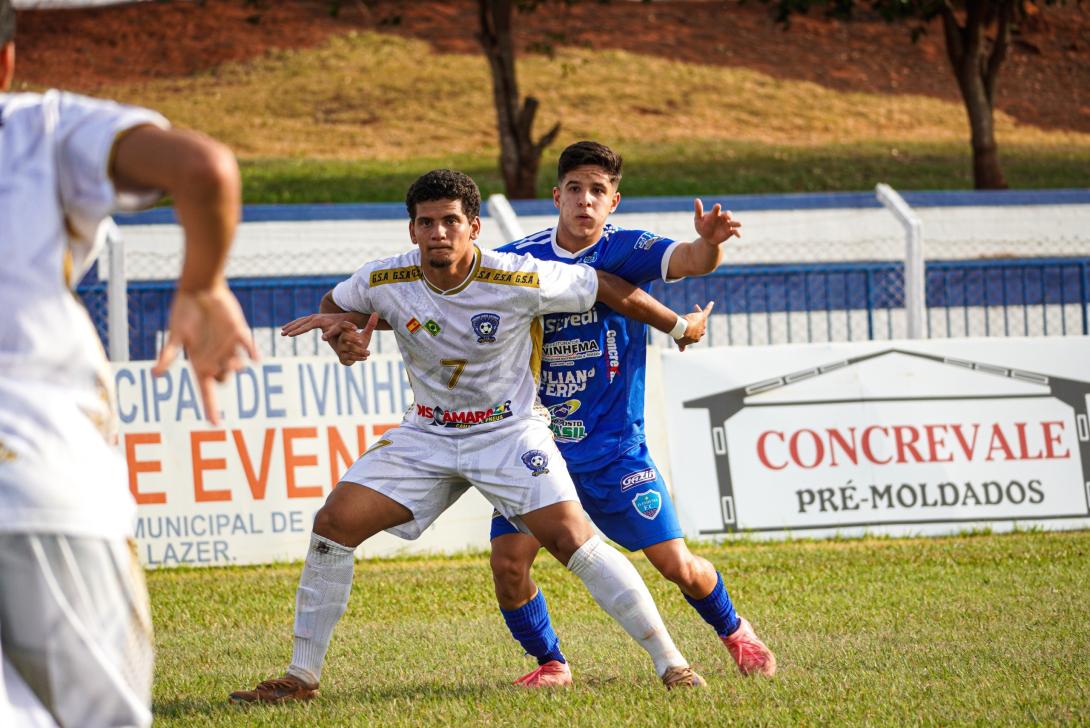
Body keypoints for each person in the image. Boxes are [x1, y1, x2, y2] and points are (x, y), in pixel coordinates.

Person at [230, 169, 715, 704]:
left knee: (573, 541)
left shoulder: (517, 276)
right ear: (412, 230)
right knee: (333, 525)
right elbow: (339, 304)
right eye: (427, 222)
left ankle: (673, 664)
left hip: (509, 431)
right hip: (428, 433)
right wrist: (342, 335)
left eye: (451, 221)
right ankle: (301, 678)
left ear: (474, 227)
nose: (439, 232)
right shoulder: (383, 279)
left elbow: (603, 285)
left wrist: (678, 328)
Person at [0, 1, 257, 724]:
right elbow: (204, 167)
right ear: (9, 60)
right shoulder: (35, 125)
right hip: (36, 472)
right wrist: (201, 286)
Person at [486, 141, 776, 686]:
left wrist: (710, 244)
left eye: (599, 190)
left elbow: (690, 260)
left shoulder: (626, 249)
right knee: (508, 567)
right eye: (575, 188)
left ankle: (735, 630)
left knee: (679, 568)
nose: (585, 200)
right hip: (537, 449)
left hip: (616, 449)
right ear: (556, 196)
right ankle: (551, 663)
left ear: (614, 201)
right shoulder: (518, 259)